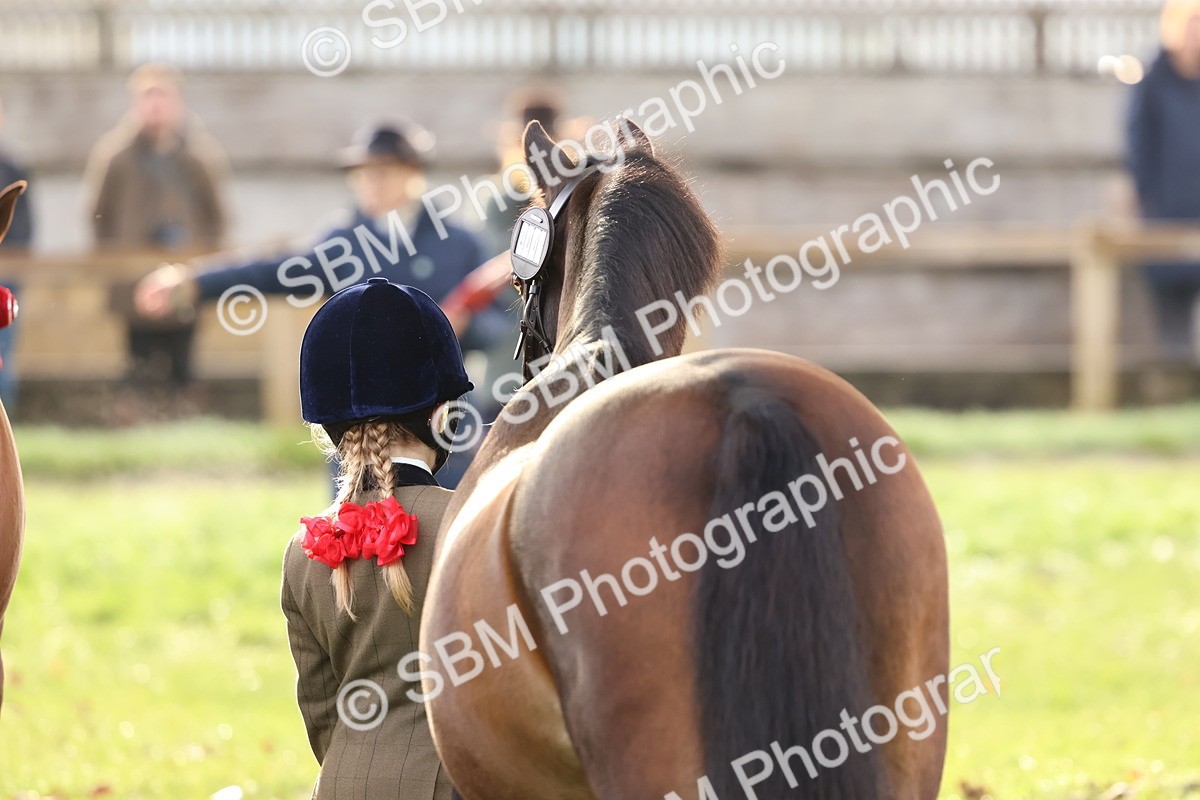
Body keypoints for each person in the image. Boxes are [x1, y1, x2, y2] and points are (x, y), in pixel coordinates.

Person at [283, 277, 472, 799]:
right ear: (442, 417)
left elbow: (320, 711)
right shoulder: (471, 521)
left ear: (326, 431)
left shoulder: (302, 551)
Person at [85, 62, 229, 390]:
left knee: (183, 366)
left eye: (162, 95)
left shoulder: (199, 156)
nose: (155, 104)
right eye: (147, 96)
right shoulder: (116, 157)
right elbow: (99, 215)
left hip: (185, 276)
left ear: (177, 101)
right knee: (138, 367)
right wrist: (115, 262)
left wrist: (203, 263)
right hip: (132, 281)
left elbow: (216, 215)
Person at [1126, 0, 1200, 367]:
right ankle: (1175, 378)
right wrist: (1147, 200)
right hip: (1166, 214)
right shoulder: (1153, 83)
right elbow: (1139, 148)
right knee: (1171, 314)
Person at [0, 97, 33, 411]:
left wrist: (12, 267)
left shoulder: (11, 167)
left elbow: (24, 226)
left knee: (3, 363)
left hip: (6, 275)